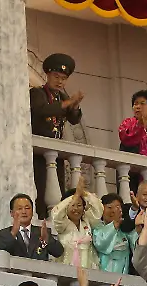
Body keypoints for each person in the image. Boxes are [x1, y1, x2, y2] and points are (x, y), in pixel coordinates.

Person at [31, 53, 83, 210]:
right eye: (56, 76)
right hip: (38, 153)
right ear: (47, 75)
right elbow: (42, 110)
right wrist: (68, 103)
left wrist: (74, 105)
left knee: (57, 189)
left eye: (63, 78)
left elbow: (75, 119)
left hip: (56, 154)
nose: (60, 81)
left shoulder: (62, 97)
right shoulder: (37, 93)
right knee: (40, 188)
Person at [50, 179, 103, 272]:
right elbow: (56, 213)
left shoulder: (87, 221)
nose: (76, 209)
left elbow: (98, 210)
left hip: (88, 268)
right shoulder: (62, 224)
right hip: (66, 269)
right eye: (72, 205)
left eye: (79, 205)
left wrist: (84, 193)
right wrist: (75, 196)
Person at [0, 194, 62, 260]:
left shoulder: (42, 232)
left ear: (32, 212)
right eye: (20, 208)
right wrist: (13, 233)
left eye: (27, 208)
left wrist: (46, 240)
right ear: (11, 213)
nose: (24, 211)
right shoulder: (3, 234)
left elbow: (59, 252)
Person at [93, 194, 138, 276]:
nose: (113, 211)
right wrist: (115, 224)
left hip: (123, 273)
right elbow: (101, 245)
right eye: (109, 207)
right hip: (103, 272)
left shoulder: (125, 229)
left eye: (117, 207)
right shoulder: (97, 228)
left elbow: (137, 245)